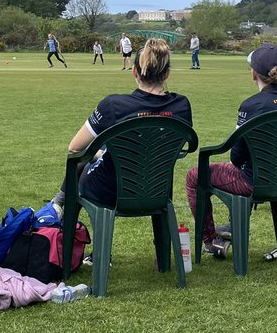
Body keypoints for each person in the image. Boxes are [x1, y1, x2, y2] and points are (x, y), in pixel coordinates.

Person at [49, 38, 191, 218]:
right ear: (167, 74)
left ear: (134, 72)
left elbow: (74, 147)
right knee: (108, 149)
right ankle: (57, 204)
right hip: (157, 192)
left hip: (109, 193)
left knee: (84, 159)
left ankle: (58, 209)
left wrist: (100, 154)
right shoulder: (182, 105)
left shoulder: (114, 105)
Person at [183, 42, 277, 257]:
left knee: (194, 175)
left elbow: (236, 157)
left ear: (253, 73)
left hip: (253, 181)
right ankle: (245, 231)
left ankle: (211, 242)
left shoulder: (251, 105)